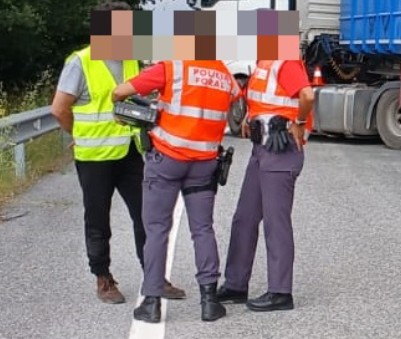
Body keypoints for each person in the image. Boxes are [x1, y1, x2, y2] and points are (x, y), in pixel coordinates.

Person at [49, 0, 186, 305]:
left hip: (130, 152)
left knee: (147, 216)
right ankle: (103, 279)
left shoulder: (130, 60)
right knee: (98, 219)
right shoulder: (81, 61)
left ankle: (155, 277)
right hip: (94, 157)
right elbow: (59, 109)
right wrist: (78, 134)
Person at [112, 54, 241, 324]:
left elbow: (120, 91)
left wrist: (133, 109)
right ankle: (209, 302)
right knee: (203, 229)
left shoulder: (172, 67)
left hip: (167, 161)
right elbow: (234, 103)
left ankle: (151, 303)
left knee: (157, 230)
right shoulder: (224, 74)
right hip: (204, 163)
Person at [215, 58, 314, 312]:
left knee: (275, 222)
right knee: (244, 218)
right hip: (262, 149)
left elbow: (307, 96)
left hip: (281, 151)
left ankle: (281, 292)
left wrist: (299, 123)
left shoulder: (286, 62)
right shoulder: (263, 64)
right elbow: (263, 99)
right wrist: (250, 115)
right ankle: (236, 284)